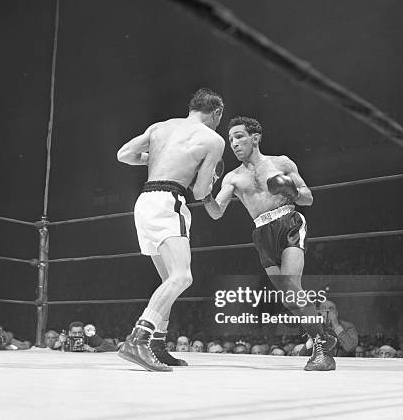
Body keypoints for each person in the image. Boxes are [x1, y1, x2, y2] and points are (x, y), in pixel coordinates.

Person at [203, 116, 336, 371]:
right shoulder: (232, 178)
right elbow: (216, 212)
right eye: (231, 139)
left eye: (239, 136)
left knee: (290, 284)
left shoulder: (281, 163)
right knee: (288, 298)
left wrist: (292, 192)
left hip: (288, 222)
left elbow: (308, 198)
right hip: (261, 232)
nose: (234, 143)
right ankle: (326, 336)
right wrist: (206, 193)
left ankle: (321, 348)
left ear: (255, 138)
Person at [116, 88, 225, 372]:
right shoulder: (213, 139)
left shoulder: (160, 127)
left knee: (168, 279)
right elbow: (200, 191)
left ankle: (157, 345)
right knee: (182, 277)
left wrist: (154, 162)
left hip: (144, 202)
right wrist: (207, 180)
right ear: (216, 113)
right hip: (169, 201)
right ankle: (138, 338)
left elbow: (125, 154)